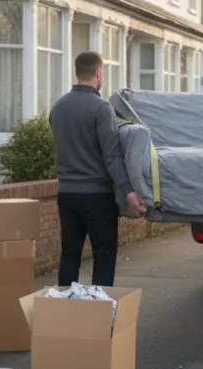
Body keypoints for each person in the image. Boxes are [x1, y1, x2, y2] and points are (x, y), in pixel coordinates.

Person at [49, 51, 146, 288]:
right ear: (98, 72)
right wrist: (129, 191)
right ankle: (100, 315)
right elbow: (111, 156)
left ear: (77, 72)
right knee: (103, 255)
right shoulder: (101, 108)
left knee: (69, 254)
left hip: (67, 195)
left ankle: (63, 310)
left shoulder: (58, 107)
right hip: (97, 196)